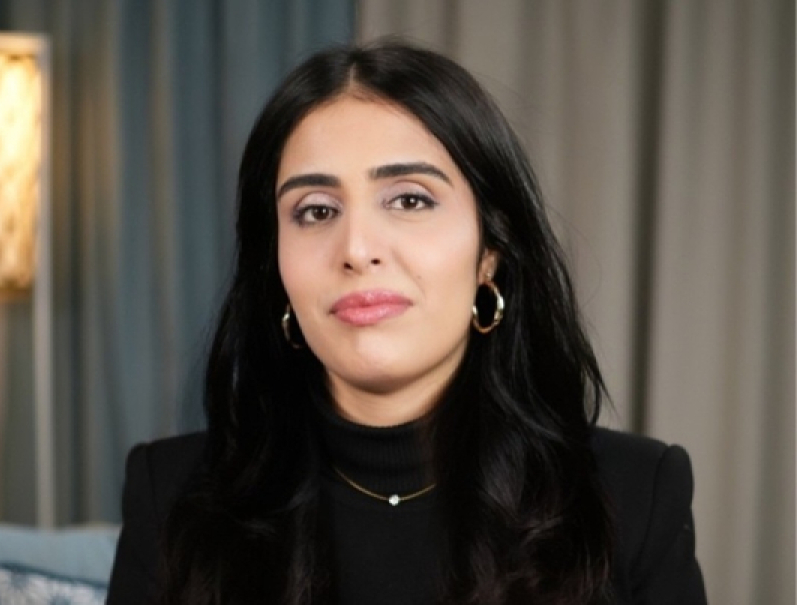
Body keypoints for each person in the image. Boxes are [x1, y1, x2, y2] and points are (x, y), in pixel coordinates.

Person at [106, 42, 706, 605]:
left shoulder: (636, 495)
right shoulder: (170, 496)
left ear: (489, 252)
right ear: (275, 265)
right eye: (316, 211)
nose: (357, 249)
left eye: (410, 200)